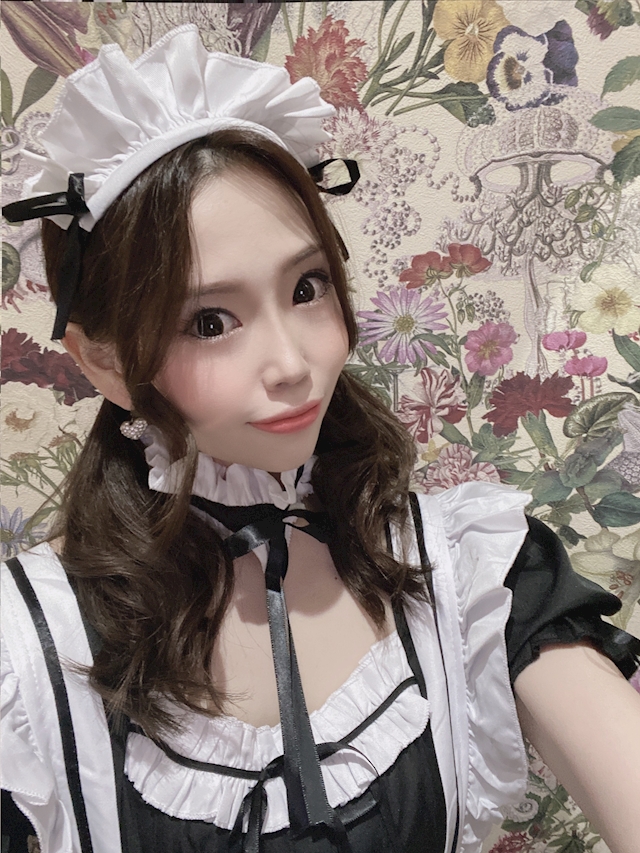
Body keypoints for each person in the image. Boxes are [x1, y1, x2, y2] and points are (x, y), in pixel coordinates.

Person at [2, 25, 639, 853]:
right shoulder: (27, 650)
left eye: (307, 287)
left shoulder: (471, 574)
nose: (293, 363)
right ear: (107, 361)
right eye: (210, 321)